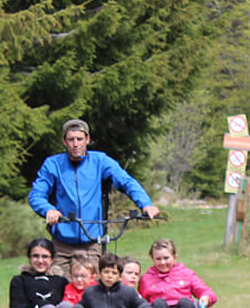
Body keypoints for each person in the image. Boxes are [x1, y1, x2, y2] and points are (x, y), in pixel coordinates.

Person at [27, 118, 161, 278]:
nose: (75, 144)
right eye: (71, 139)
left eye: (80, 139)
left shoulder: (100, 161)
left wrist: (146, 204)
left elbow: (126, 181)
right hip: (61, 243)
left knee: (93, 287)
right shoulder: (53, 164)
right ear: (64, 141)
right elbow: (36, 194)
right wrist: (48, 209)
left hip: (91, 242)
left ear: (87, 140)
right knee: (58, 287)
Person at [139, 237, 216, 308]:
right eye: (158, 259)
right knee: (158, 303)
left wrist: (206, 297)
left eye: (166, 258)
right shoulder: (146, 279)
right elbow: (140, 302)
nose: (162, 262)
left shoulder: (186, 274)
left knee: (185, 302)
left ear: (175, 257)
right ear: (153, 259)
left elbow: (206, 291)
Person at [7, 238, 70, 308]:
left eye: (45, 257)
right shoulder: (19, 281)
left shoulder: (61, 281)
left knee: (67, 307)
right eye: (36, 256)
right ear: (29, 258)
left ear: (52, 259)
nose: (40, 261)